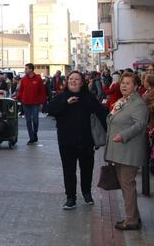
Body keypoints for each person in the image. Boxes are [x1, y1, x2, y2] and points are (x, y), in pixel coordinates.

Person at [45, 70, 104, 210]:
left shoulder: (88, 97)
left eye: (77, 79)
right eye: (71, 79)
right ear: (67, 81)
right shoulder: (61, 96)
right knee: (69, 170)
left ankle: (86, 193)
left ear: (82, 82)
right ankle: (70, 197)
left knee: (87, 168)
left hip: (86, 141)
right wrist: (66, 103)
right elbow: (50, 109)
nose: (73, 81)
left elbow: (100, 112)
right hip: (66, 141)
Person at [105, 72, 148, 231]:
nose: (124, 85)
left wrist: (122, 136)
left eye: (128, 83)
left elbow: (140, 124)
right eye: (123, 83)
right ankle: (133, 217)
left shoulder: (138, 103)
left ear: (136, 86)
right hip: (120, 150)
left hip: (129, 150)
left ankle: (131, 221)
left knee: (127, 185)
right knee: (125, 185)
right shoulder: (123, 101)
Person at [15, 63, 47, 144]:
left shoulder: (38, 79)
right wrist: (16, 97)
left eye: (26, 69)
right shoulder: (23, 79)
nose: (24, 70)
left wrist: (42, 103)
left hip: (35, 103)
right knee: (28, 121)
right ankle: (31, 137)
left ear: (31, 69)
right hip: (25, 103)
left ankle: (35, 133)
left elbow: (42, 92)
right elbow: (21, 91)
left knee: (35, 120)